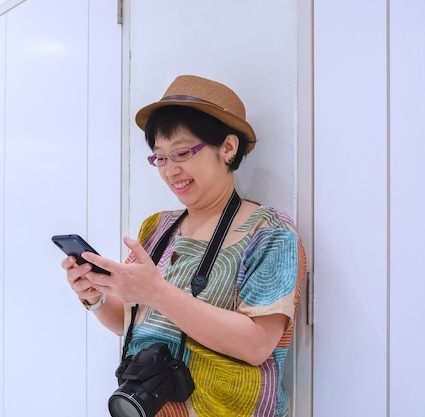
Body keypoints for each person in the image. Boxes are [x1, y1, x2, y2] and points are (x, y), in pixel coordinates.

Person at [61, 75, 307, 417]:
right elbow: (130, 322)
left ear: (228, 147)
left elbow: (256, 345)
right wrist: (96, 295)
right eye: (159, 158)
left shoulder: (269, 232)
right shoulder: (157, 227)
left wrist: (159, 292)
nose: (170, 170)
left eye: (181, 153)